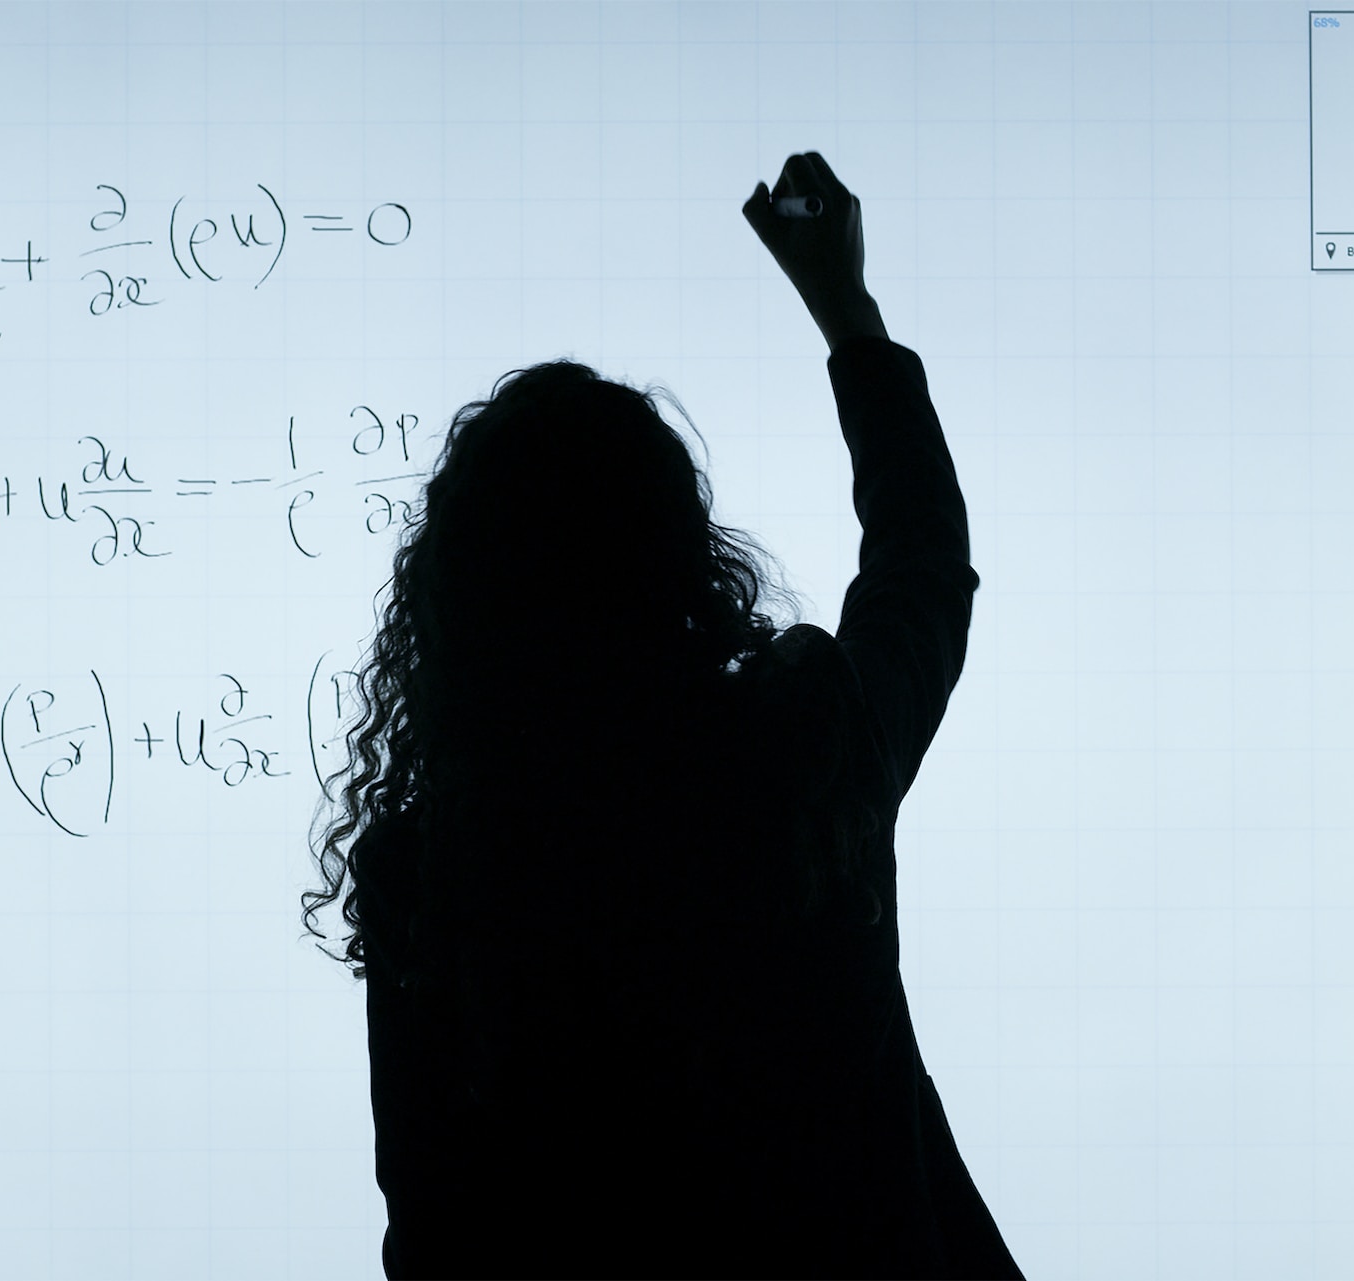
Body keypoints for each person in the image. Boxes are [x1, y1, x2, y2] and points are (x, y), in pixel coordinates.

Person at [302, 152, 1024, 1280]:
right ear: (682, 564)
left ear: (456, 604)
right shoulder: (798, 757)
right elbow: (921, 572)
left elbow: (435, 1232)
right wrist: (846, 309)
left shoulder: (432, 882)